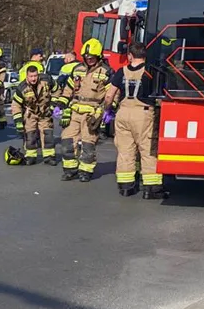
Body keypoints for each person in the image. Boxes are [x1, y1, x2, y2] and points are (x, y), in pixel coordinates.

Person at [104, 41, 166, 199]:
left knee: (125, 151)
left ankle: (126, 187)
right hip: (143, 114)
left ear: (130, 56)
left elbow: (109, 95)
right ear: (144, 55)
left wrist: (108, 110)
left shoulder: (121, 71)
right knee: (148, 150)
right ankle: (151, 189)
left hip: (123, 112)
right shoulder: (150, 72)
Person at [53, 38, 112, 182]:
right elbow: (68, 89)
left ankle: (85, 171)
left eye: (91, 57)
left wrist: (108, 110)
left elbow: (112, 93)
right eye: (86, 57)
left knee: (88, 143)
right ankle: (70, 169)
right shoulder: (77, 69)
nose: (89, 59)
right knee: (67, 140)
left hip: (92, 112)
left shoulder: (106, 72)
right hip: (74, 110)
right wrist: (60, 104)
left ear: (98, 56)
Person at [14, 61, 56, 165]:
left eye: (35, 76)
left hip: (45, 112)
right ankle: (30, 156)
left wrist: (54, 104)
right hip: (30, 113)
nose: (33, 79)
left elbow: (57, 90)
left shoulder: (47, 80)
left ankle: (49, 156)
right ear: (27, 76)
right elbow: (16, 105)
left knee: (47, 134)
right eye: (31, 76)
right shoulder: (21, 88)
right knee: (30, 135)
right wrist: (18, 122)